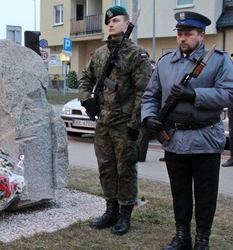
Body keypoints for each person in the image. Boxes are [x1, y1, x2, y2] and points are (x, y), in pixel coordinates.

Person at [141, 11, 233, 250]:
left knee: (205, 194)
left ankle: (202, 239)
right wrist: (149, 116)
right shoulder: (165, 63)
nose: (183, 38)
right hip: (174, 139)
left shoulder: (218, 60)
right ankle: (182, 236)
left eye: (189, 34)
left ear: (201, 35)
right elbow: (150, 95)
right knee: (180, 191)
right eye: (180, 34)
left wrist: (195, 94)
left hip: (205, 137)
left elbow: (230, 94)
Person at [78, 6, 151, 235]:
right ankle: (110, 210)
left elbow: (143, 92)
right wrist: (85, 100)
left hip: (124, 123)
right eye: (108, 20)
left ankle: (125, 214)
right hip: (103, 123)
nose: (111, 24)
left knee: (126, 170)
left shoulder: (136, 54)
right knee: (106, 168)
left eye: (116, 20)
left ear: (127, 24)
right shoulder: (100, 53)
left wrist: (134, 124)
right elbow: (85, 79)